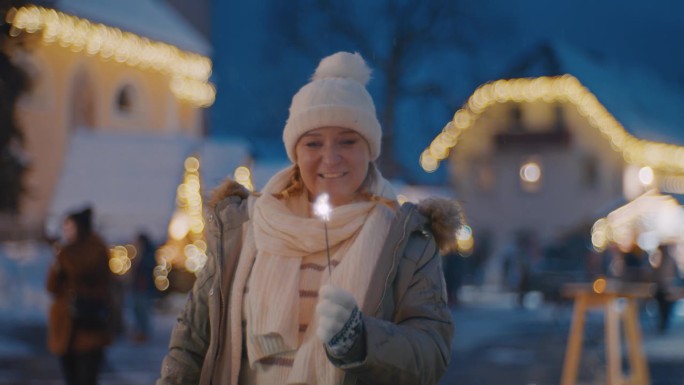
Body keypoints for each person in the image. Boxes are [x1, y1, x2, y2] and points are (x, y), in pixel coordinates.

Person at [157, 51, 459, 385]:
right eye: (313, 143)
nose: (330, 158)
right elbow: (193, 340)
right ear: (295, 152)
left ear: (370, 150)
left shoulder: (406, 241)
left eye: (347, 141)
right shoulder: (245, 227)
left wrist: (361, 341)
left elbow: (432, 354)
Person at [46, 207, 114, 385]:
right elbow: (51, 287)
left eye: (70, 227)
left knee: (86, 378)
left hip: (88, 325)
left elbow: (82, 270)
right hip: (65, 327)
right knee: (70, 378)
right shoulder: (65, 253)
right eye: (64, 227)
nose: (66, 232)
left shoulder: (95, 249)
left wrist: (62, 257)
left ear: (81, 227)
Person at [130, 232, 158, 343]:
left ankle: (143, 333)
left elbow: (146, 272)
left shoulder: (147, 256)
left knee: (142, 312)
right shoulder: (144, 254)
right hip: (140, 288)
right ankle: (141, 333)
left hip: (143, 289)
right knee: (139, 311)